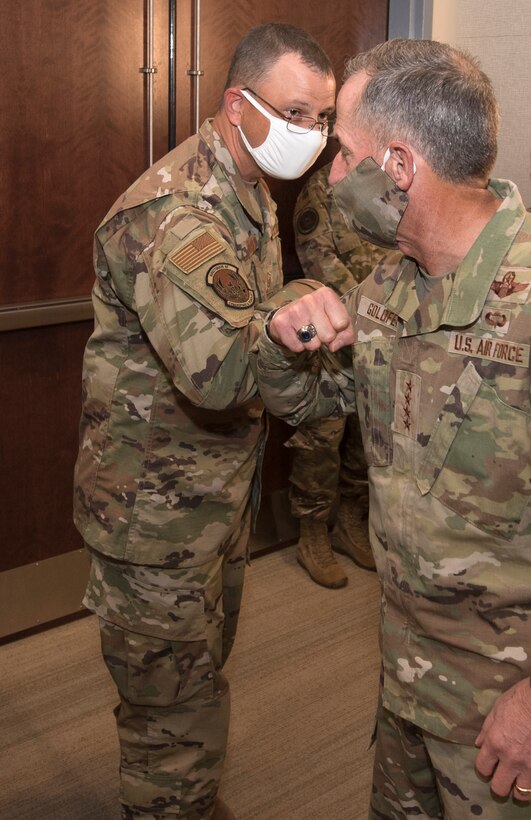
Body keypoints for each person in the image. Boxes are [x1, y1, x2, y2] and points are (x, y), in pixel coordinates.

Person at [255, 38, 531, 818]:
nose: (331, 175)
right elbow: (316, 404)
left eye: (343, 153)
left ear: (399, 166)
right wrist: (286, 338)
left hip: (502, 717)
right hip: (404, 678)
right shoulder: (387, 288)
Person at [73, 23, 335, 820]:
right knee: (171, 715)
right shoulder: (173, 211)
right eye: (297, 113)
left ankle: (182, 798)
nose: (313, 137)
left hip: (210, 500)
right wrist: (297, 318)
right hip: (154, 518)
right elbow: (218, 372)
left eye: (323, 119)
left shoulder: (248, 187)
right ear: (237, 105)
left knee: (195, 680)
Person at [288, 161, 383, 588]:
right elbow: (317, 260)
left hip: (378, 338)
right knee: (320, 441)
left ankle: (350, 519)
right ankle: (312, 533)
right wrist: (370, 314)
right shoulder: (319, 189)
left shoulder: (389, 184)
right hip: (331, 337)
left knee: (367, 433)